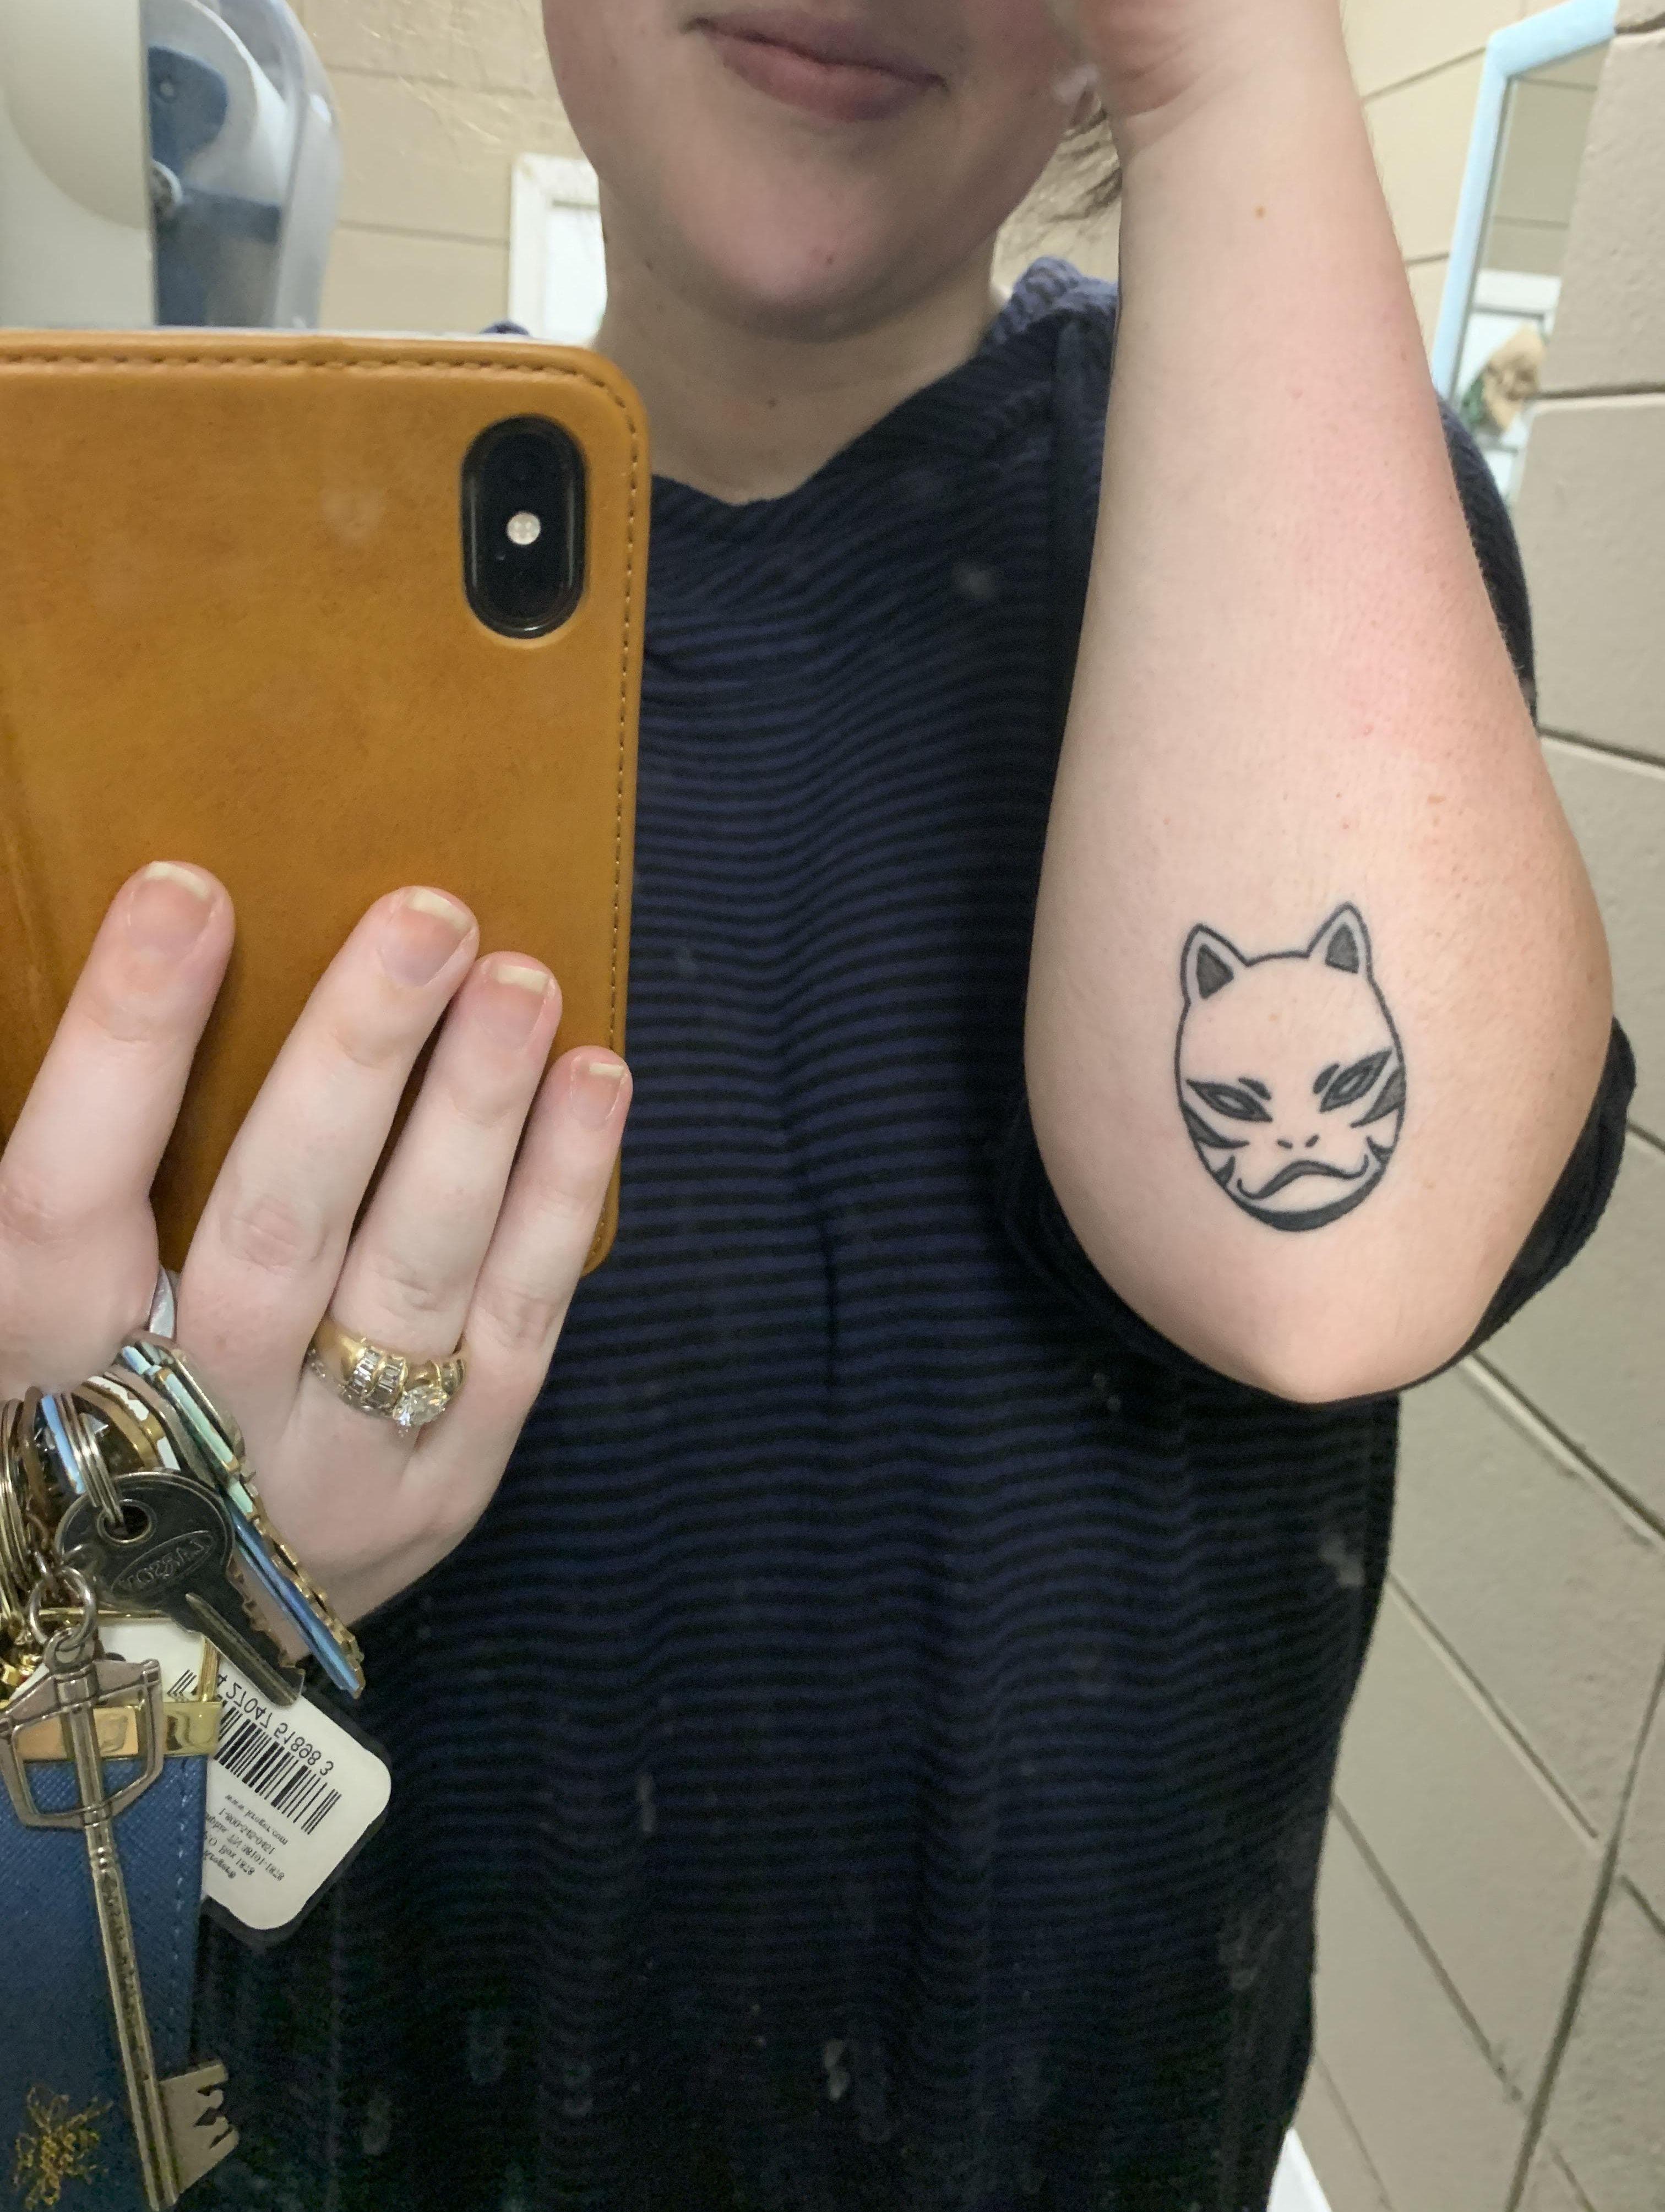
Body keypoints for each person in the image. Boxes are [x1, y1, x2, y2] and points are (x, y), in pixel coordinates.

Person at [0, 1, 1634, 2206]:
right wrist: (150, 1594)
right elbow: (65, 1791)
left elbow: (1322, 1267)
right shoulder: (243, 592)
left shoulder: (1319, 507)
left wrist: (1236, 73)